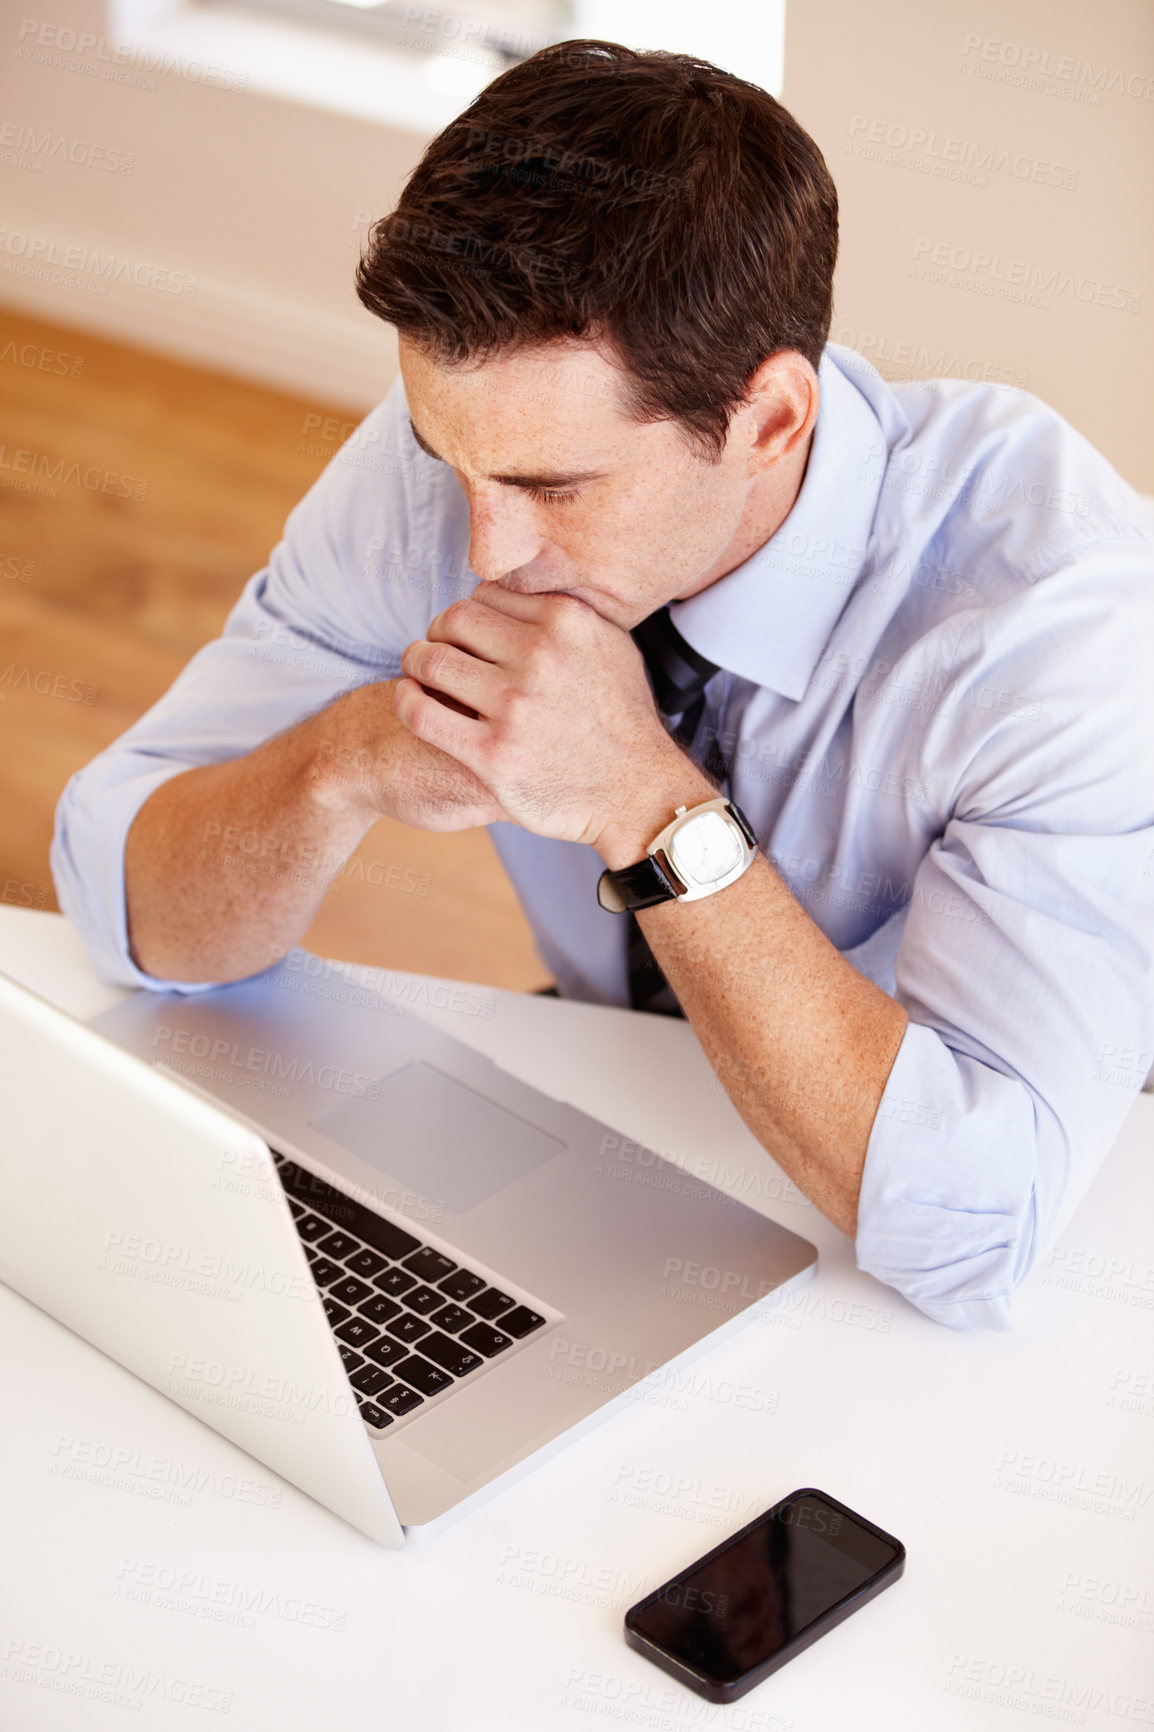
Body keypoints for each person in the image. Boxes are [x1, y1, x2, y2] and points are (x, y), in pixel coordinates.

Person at [51, 40, 1154, 1332]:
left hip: (1022, 1157)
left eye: (552, 490)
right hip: (640, 1087)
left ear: (768, 423)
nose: (481, 552)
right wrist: (340, 757)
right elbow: (125, 909)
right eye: (445, 461)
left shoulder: (1058, 616)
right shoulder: (470, 458)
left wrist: (648, 808)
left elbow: (973, 1230)